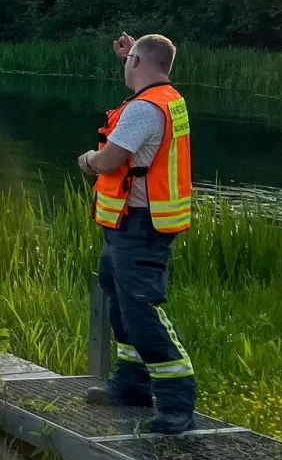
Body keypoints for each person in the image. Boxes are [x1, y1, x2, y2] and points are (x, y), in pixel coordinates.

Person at [75, 33, 194, 434]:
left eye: (129, 60)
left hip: (141, 226)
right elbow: (151, 62)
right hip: (131, 222)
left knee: (141, 312)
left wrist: (88, 161)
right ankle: (130, 386)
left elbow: (111, 159)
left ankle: (177, 403)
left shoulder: (144, 110)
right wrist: (134, 53)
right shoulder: (166, 97)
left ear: (139, 62)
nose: (125, 65)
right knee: (120, 305)